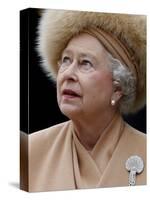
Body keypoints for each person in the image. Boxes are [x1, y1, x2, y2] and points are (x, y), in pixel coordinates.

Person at [23, 10, 146, 192]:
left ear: (118, 88)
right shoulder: (28, 151)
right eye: (66, 60)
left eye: (85, 63)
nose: (67, 74)